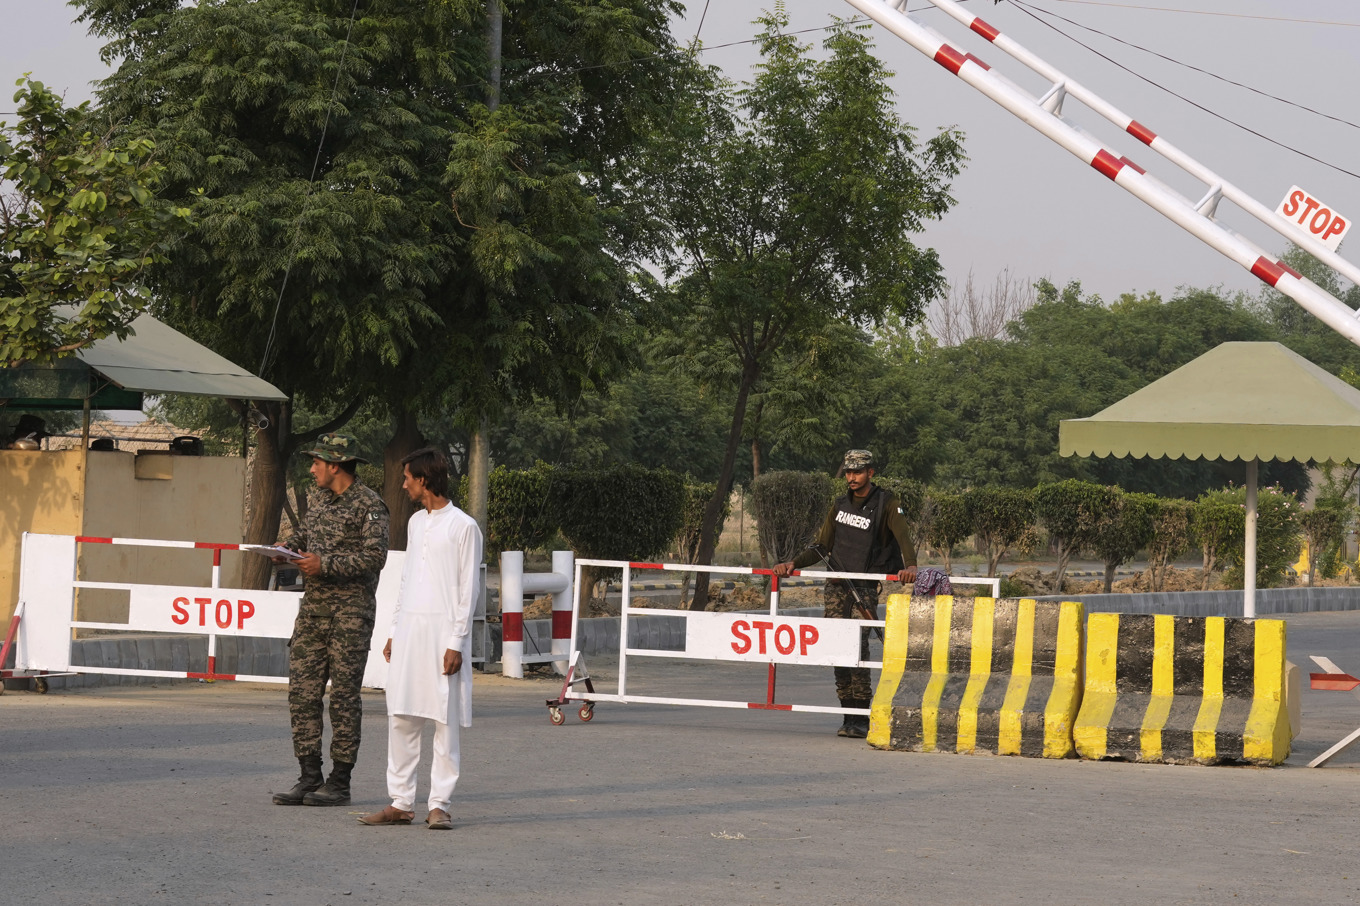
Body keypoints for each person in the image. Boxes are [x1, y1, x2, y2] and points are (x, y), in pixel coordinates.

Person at [359, 447, 482, 830]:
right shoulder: (414, 523)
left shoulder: (464, 526)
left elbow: (468, 589)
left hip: (443, 634)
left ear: (424, 479)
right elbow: (408, 579)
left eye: (408, 477)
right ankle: (400, 802)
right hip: (411, 632)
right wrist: (395, 630)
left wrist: (457, 641)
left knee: (443, 721)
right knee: (402, 715)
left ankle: (439, 804)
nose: (404, 484)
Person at [271, 432, 389, 807]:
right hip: (313, 612)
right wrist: (284, 550)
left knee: (342, 698)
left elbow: (375, 558)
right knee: (302, 694)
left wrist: (326, 564)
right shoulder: (320, 500)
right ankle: (309, 776)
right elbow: (306, 535)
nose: (312, 469)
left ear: (335, 465)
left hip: (350, 615)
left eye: (317, 463)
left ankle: (339, 781)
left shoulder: (370, 505)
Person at [773, 449, 917, 739]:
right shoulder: (839, 505)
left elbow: (903, 536)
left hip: (862, 589)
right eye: (849, 472)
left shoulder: (887, 503)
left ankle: (862, 718)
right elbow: (821, 546)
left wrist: (911, 565)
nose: (852, 477)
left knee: (857, 650)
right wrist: (792, 564)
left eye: (858, 471)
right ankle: (847, 715)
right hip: (837, 589)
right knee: (838, 650)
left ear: (870, 473)